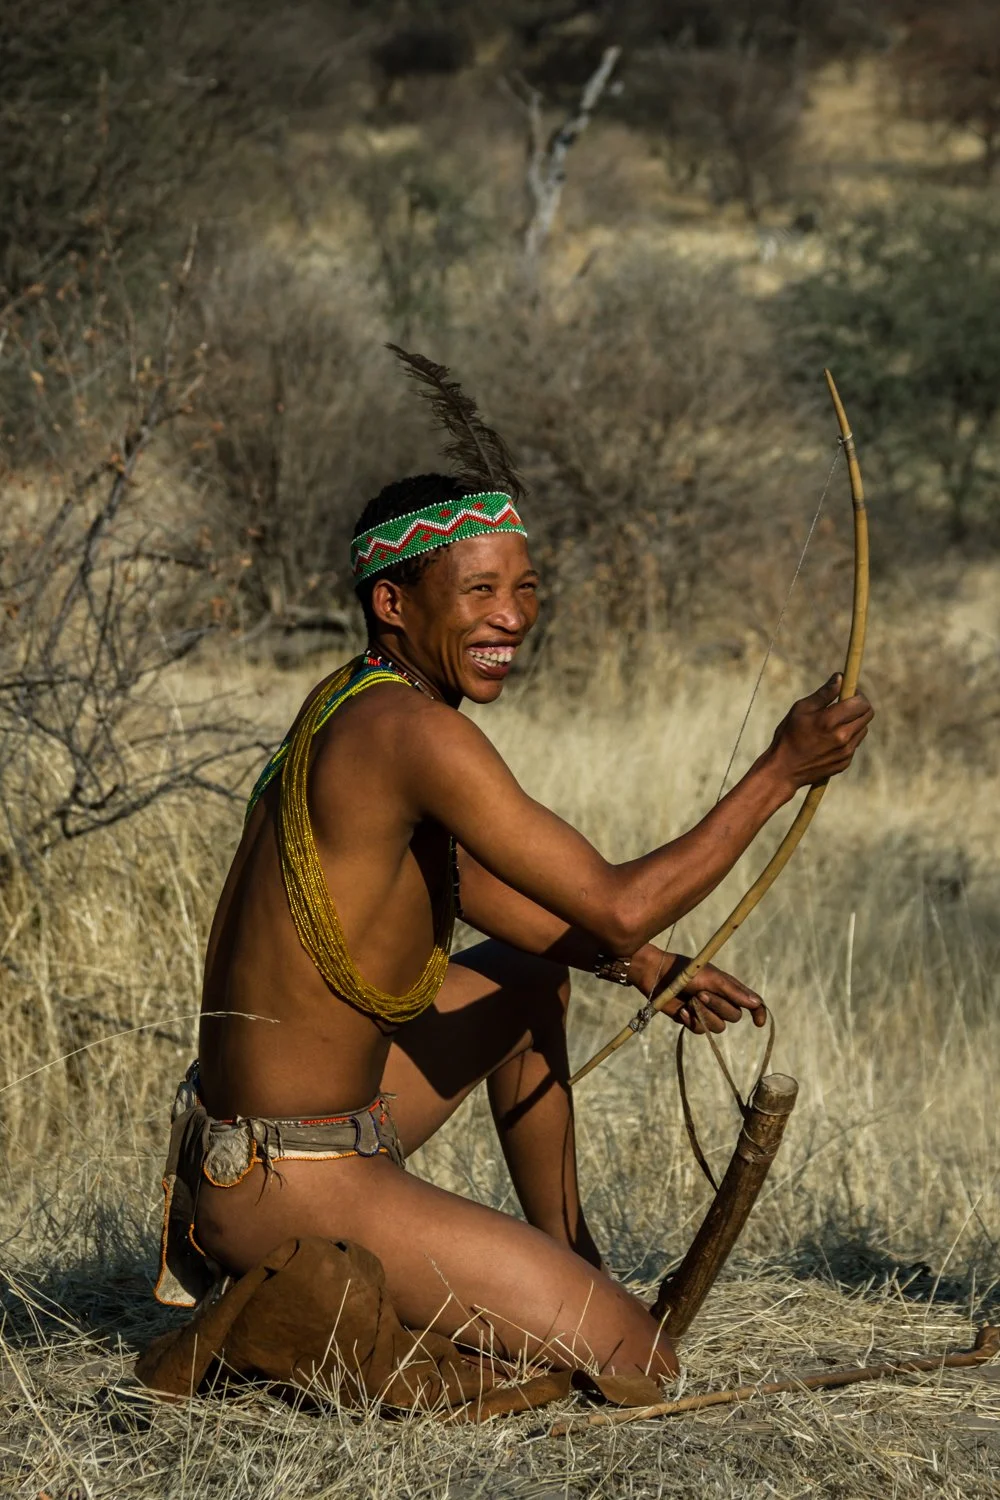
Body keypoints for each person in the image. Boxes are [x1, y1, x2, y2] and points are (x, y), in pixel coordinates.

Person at [154, 350, 873, 1386]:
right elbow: (618, 899)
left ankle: (566, 1268)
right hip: (295, 1177)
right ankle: (360, 1322)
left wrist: (643, 967)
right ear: (392, 604)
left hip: (264, 1150)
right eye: (480, 589)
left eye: (525, 587)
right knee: (645, 1366)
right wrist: (778, 770)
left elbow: (482, 897)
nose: (512, 616)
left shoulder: (350, 701)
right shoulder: (411, 731)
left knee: (531, 978)